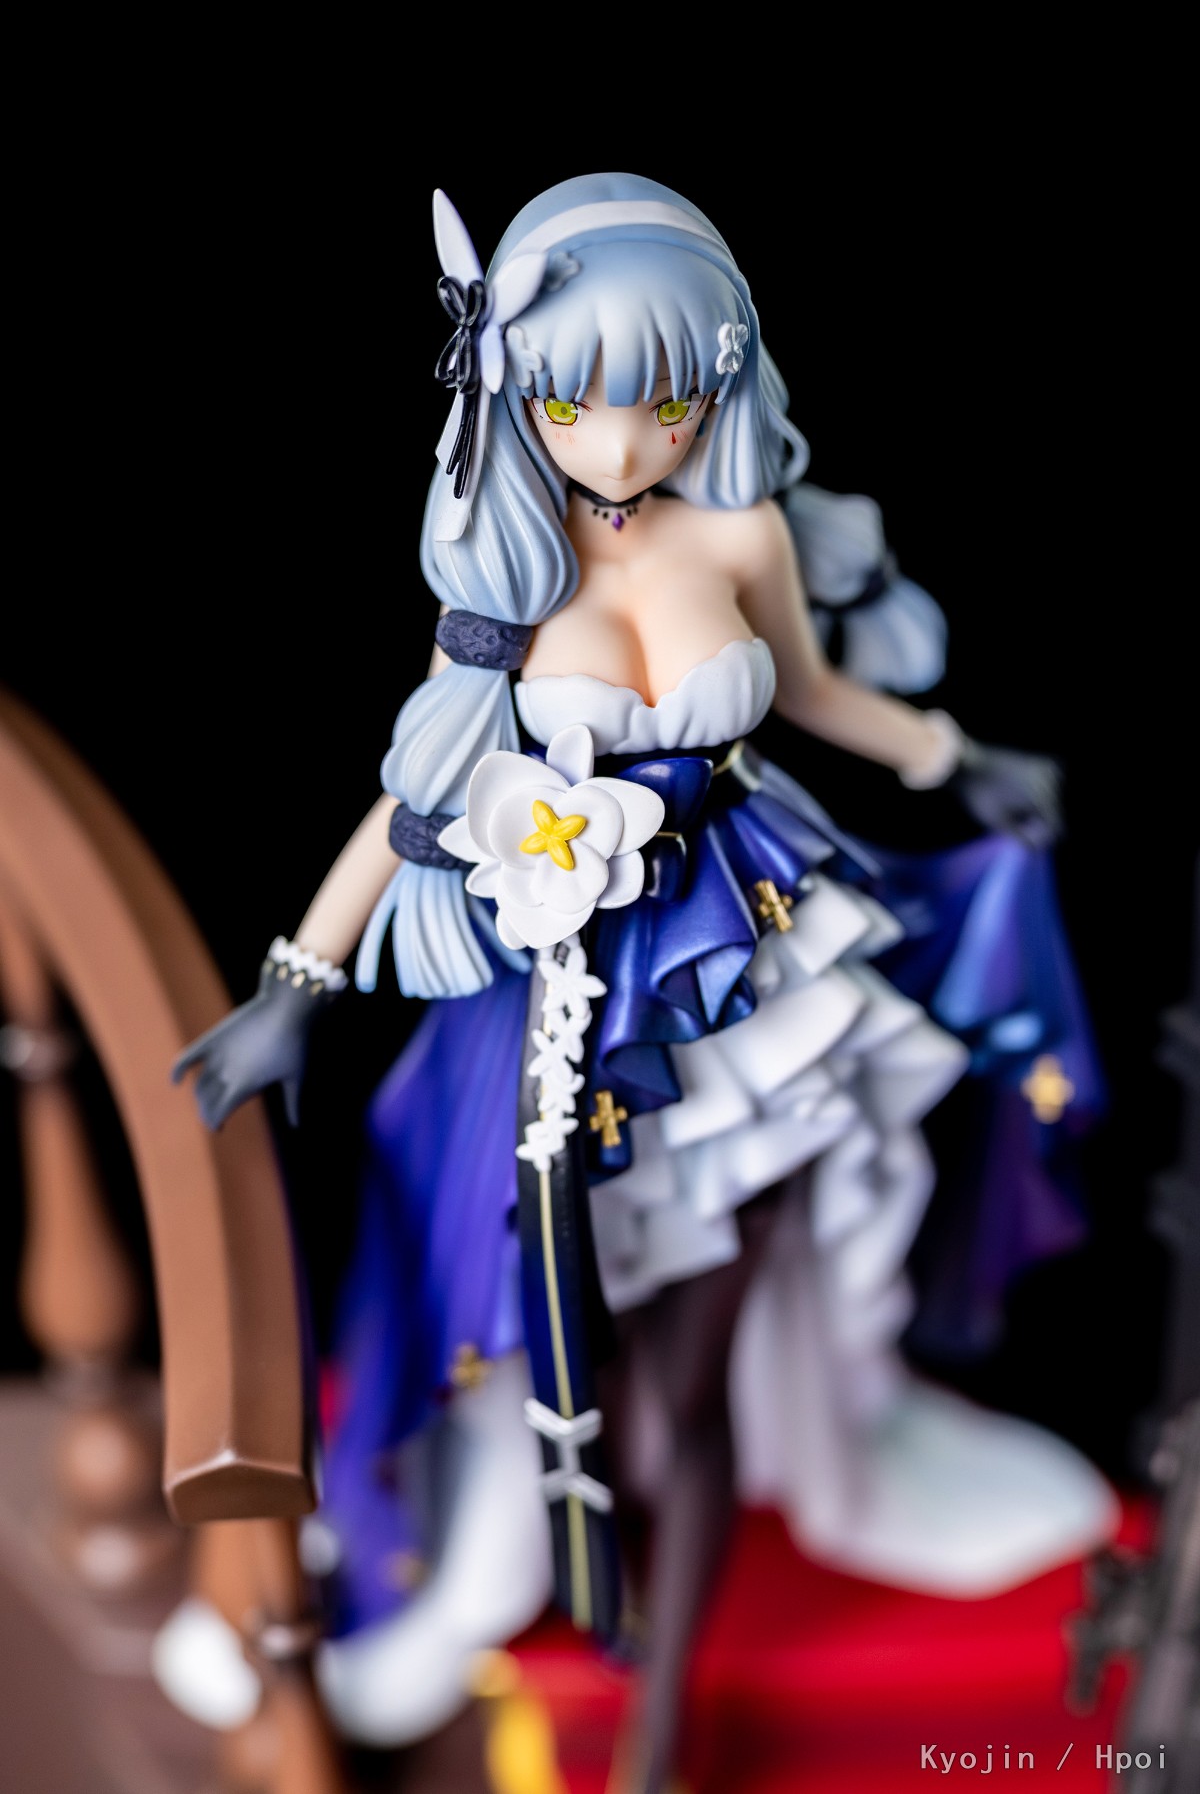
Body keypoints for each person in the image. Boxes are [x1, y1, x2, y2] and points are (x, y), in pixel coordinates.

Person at [169, 173, 1115, 1794]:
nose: (621, 447)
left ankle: (661, 1726)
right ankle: (552, 1570)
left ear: (715, 383)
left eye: (662, 404)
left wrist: (959, 757)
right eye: (575, 405)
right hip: (566, 1002)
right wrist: (299, 982)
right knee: (557, 1349)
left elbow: (814, 696)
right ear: (519, 392)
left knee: (689, 1386)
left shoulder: (740, 528)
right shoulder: (507, 573)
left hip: (759, 970)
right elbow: (413, 804)